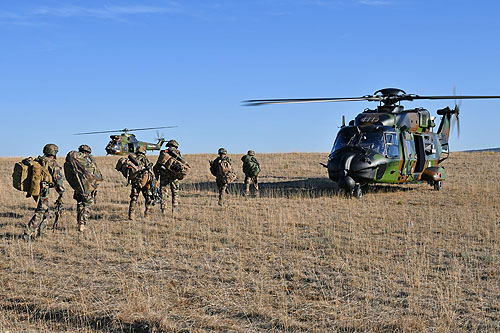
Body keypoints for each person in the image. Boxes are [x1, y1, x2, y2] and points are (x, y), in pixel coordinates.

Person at [24, 144, 65, 239]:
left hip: (34, 189)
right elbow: (58, 180)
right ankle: (27, 233)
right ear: (54, 153)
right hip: (42, 191)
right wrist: (61, 192)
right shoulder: (52, 163)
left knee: (46, 211)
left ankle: (41, 233)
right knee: (41, 211)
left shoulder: (38, 160)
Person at [65, 145, 103, 232]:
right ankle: (82, 224)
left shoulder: (73, 160)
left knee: (80, 204)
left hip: (77, 186)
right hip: (87, 186)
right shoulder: (88, 160)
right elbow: (95, 172)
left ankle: (79, 222)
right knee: (86, 205)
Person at [153, 139, 183, 214]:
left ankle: (164, 210)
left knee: (163, 193)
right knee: (175, 192)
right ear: (176, 146)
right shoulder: (178, 153)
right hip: (174, 176)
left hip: (164, 175)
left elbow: (157, 165)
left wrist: (156, 176)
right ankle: (175, 209)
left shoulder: (164, 153)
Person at [127, 146, 154, 220]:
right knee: (148, 198)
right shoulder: (145, 159)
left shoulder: (133, 160)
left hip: (135, 182)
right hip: (145, 183)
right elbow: (150, 171)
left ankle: (131, 214)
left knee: (134, 198)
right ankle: (147, 214)